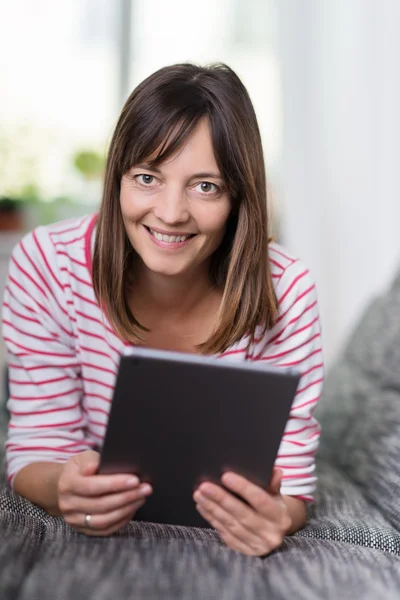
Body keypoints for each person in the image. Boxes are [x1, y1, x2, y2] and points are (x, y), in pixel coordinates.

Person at [2, 63, 323, 557]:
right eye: (148, 177)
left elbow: (293, 479)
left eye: (206, 186)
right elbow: (36, 447)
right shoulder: (48, 264)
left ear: (239, 197)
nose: (171, 213)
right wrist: (62, 488)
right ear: (117, 179)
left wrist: (278, 514)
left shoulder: (286, 288)